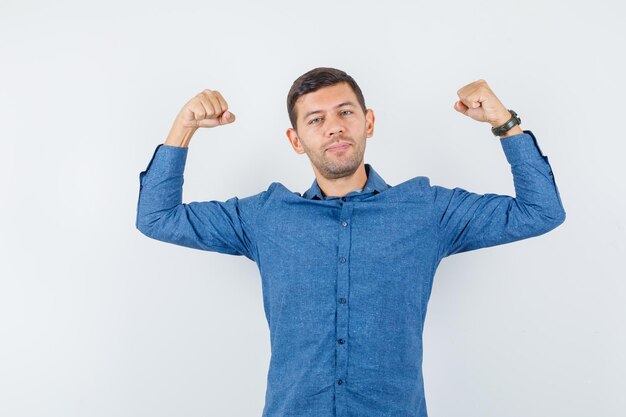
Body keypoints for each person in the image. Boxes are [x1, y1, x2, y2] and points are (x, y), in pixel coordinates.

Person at [136, 67, 566, 417]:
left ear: (369, 122)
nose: (334, 128)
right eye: (316, 119)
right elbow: (157, 217)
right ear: (296, 140)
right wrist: (183, 128)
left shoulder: (426, 211)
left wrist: (503, 123)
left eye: (346, 113)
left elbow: (541, 212)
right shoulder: (265, 217)